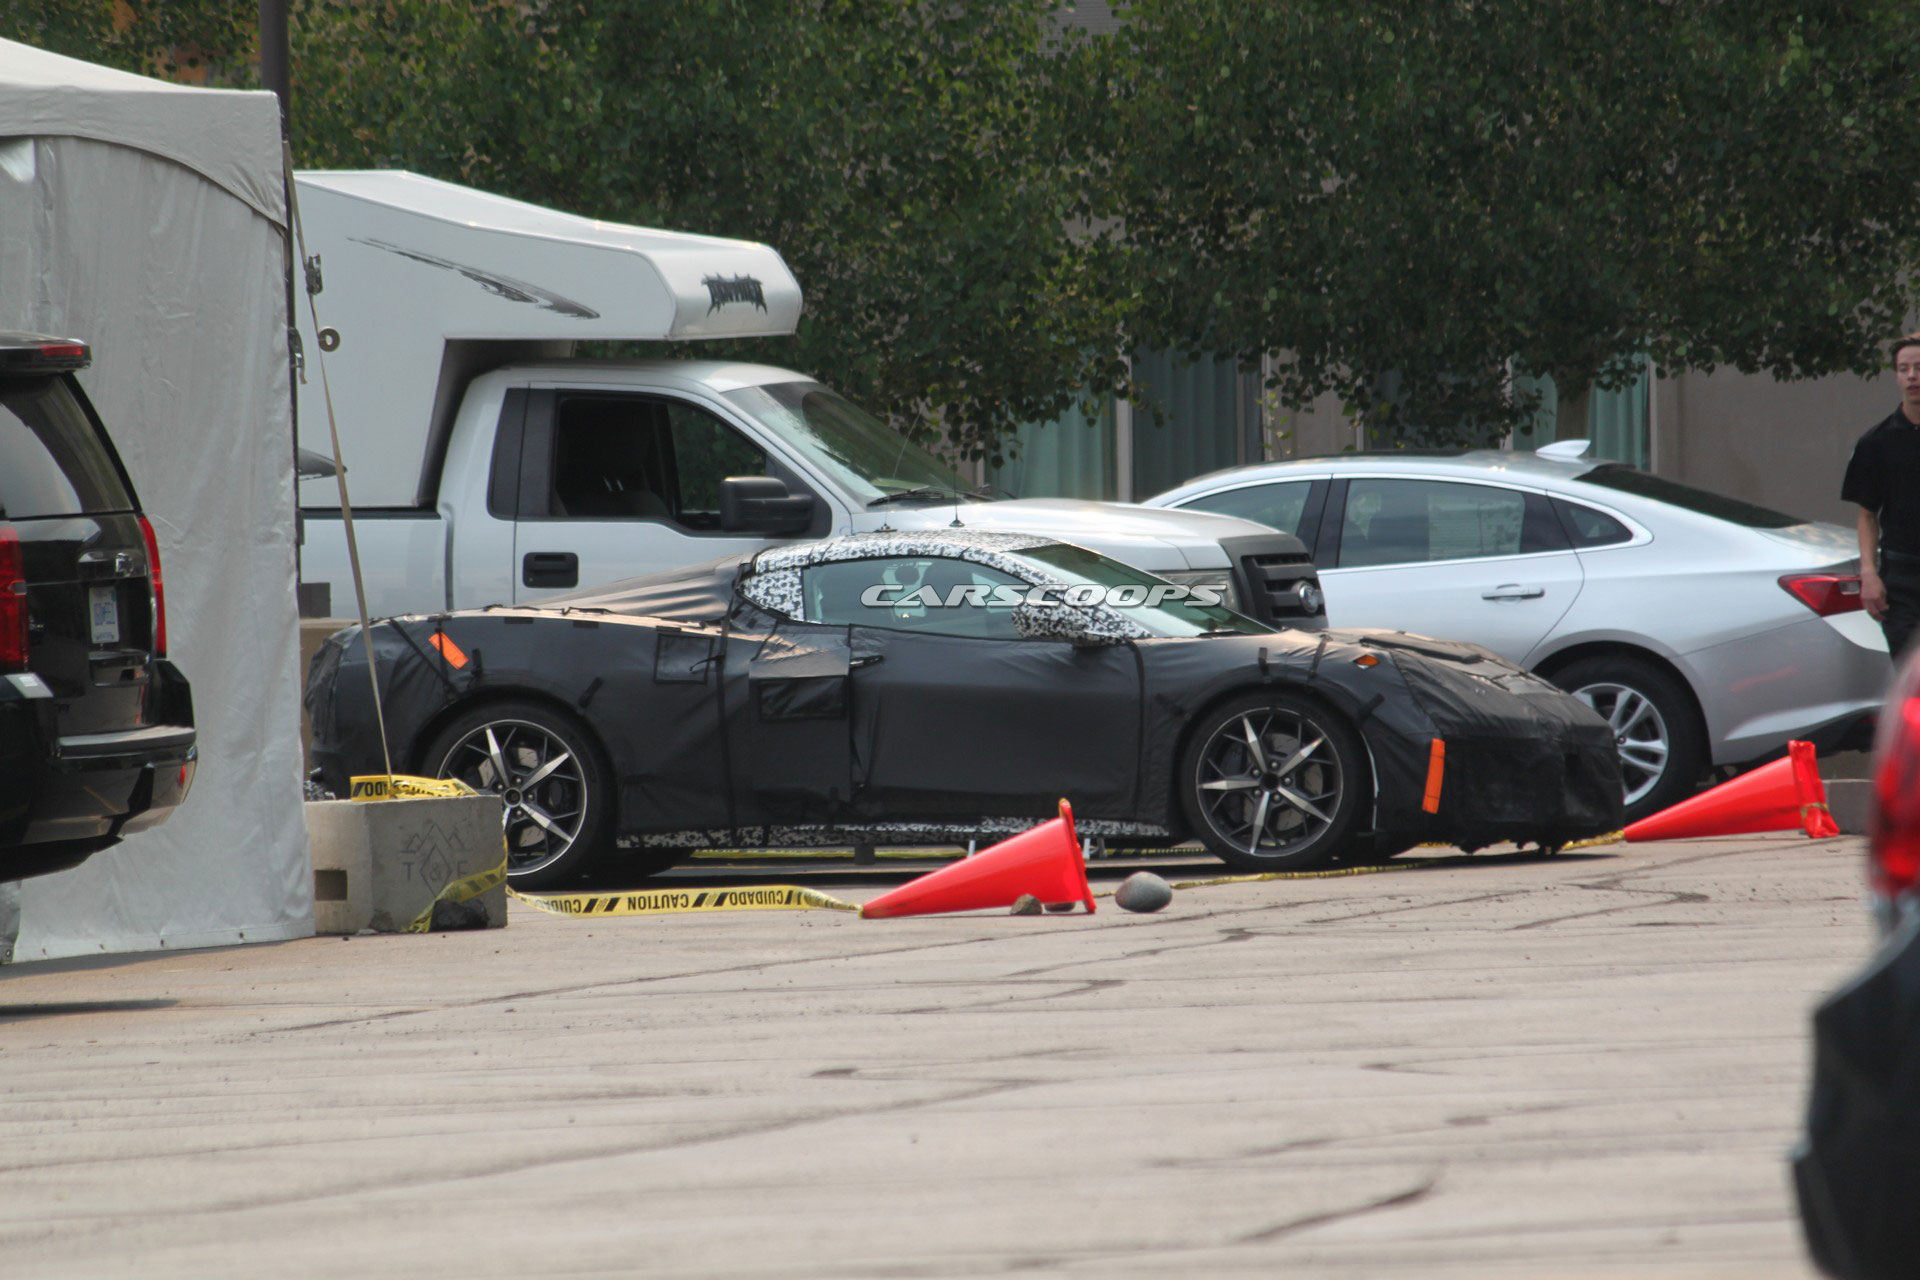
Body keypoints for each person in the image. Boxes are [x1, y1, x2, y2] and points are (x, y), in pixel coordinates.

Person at [1843, 332, 1920, 662]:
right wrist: (1869, 574)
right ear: (1896, 376)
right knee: (1909, 679)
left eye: (1919, 367)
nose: (1912, 376)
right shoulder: (1876, 442)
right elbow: (1866, 514)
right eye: (1904, 368)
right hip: (1901, 577)